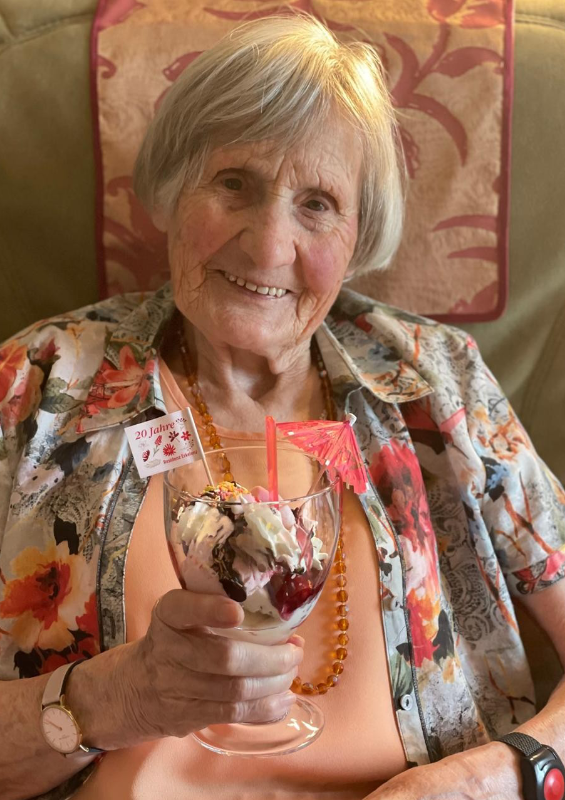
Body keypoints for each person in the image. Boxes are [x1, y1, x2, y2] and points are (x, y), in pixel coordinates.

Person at [1, 13, 564, 800]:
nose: (268, 247)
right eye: (234, 183)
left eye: (317, 203)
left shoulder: (434, 382)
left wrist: (491, 777)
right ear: (171, 189)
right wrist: (108, 701)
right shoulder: (38, 386)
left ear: (358, 234)